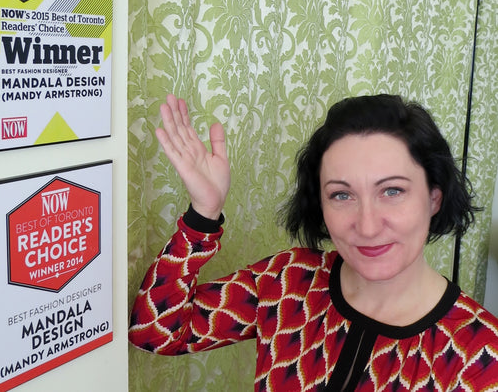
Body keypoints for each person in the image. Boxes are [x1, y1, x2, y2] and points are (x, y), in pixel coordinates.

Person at [129, 93, 498, 391]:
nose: (367, 226)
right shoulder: (290, 281)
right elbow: (154, 332)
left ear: (434, 198)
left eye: (392, 191)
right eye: (341, 195)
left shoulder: (479, 355)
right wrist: (203, 215)